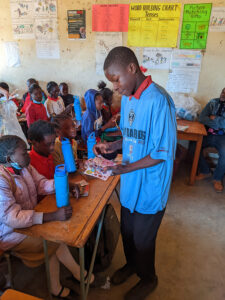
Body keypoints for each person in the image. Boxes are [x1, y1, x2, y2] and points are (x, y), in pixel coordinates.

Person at [93, 46, 177, 300]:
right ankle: (131, 266)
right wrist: (115, 145)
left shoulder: (159, 101)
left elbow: (161, 152)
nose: (115, 87)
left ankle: (148, 278)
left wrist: (125, 167)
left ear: (132, 68)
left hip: (150, 187)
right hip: (131, 183)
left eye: (117, 79)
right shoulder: (128, 98)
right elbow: (132, 137)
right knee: (128, 232)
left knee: (143, 240)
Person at [0, 135, 95, 299]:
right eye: (24, 152)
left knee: (54, 236)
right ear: (9, 158)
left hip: (29, 221)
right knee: (52, 241)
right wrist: (50, 216)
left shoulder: (24, 167)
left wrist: (63, 185)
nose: (28, 154)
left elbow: (41, 184)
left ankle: (62, 283)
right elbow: (11, 218)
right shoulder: (2, 180)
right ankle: (73, 277)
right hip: (11, 232)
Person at [197, 87, 225, 192]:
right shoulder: (213, 102)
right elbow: (202, 118)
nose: (223, 94)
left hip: (222, 137)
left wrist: (214, 118)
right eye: (223, 92)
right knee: (194, 146)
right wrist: (219, 123)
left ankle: (217, 179)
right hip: (207, 133)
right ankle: (205, 171)